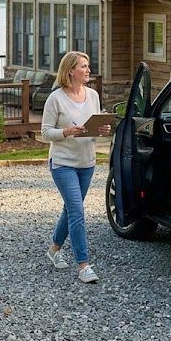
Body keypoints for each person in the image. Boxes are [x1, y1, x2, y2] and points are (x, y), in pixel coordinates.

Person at [41, 51, 111, 283]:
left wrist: (103, 130)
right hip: (63, 164)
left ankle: (54, 249)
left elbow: (96, 124)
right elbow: (45, 132)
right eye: (84, 66)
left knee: (71, 209)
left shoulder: (92, 95)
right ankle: (83, 265)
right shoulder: (56, 99)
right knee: (78, 212)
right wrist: (66, 132)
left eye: (88, 65)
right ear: (71, 70)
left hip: (87, 163)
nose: (89, 70)